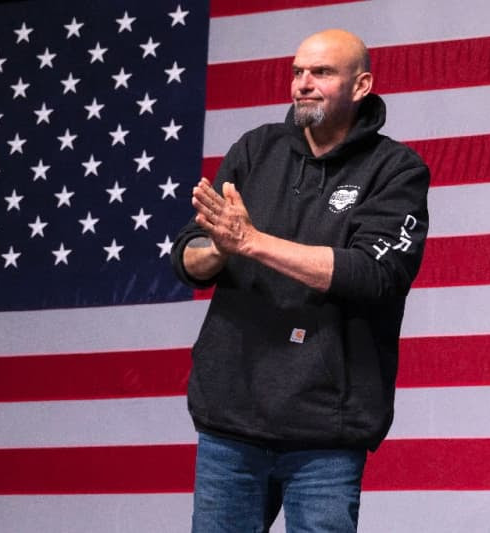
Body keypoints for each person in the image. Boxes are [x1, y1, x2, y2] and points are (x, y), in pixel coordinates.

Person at [170, 28, 429, 532]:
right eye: (297, 73)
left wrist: (251, 242)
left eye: (322, 73)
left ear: (361, 86)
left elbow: (374, 273)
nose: (303, 84)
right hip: (231, 423)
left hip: (325, 431)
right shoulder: (254, 150)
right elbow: (187, 256)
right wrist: (218, 250)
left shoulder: (396, 170)